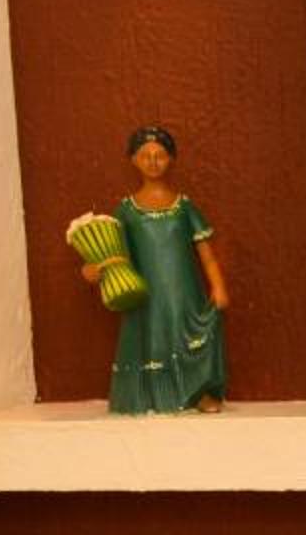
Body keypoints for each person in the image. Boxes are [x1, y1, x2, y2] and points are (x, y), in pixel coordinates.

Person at [83, 125, 229, 413]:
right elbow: (113, 253)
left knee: (192, 334)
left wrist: (219, 286)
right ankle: (148, 395)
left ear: (171, 159)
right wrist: (94, 269)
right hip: (146, 295)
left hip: (184, 292)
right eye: (145, 155)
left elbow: (207, 255)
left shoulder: (184, 207)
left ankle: (197, 392)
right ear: (133, 160)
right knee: (152, 337)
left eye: (160, 155)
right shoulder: (126, 211)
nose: (152, 161)